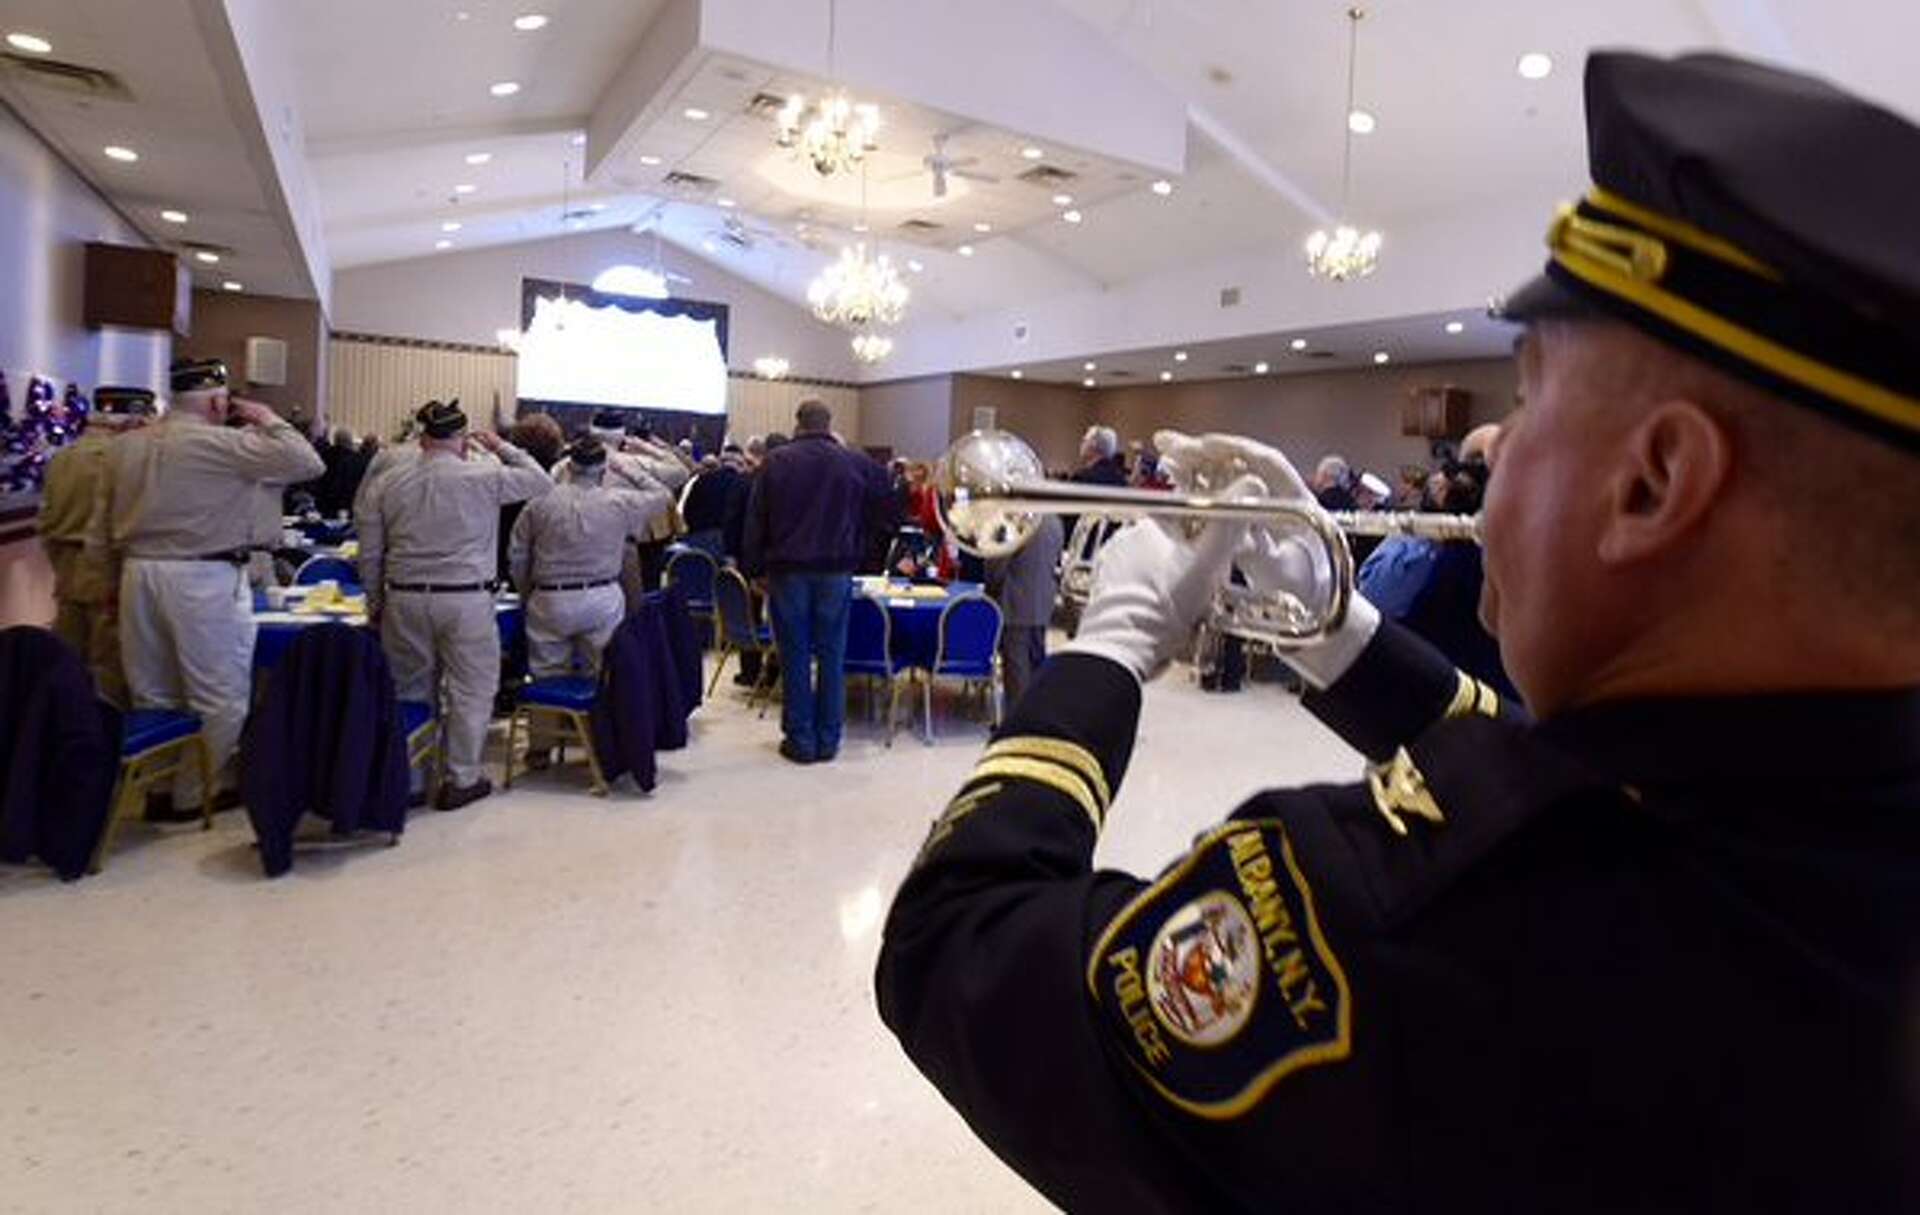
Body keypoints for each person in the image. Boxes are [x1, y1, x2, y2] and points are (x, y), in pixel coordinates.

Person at [875, 50, 1920, 1211]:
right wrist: (1338, 634)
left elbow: (953, 951)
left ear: (1654, 481)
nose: (1496, 456)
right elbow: (1593, 801)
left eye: (1528, 405)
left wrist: (1101, 655)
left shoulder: (1409, 932)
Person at [88, 360, 324, 815]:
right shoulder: (225, 444)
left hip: (138, 573)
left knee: (153, 690)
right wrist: (268, 419)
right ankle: (194, 794)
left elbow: (99, 527)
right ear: (218, 402)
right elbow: (307, 461)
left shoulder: (123, 448)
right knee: (221, 696)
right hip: (203, 577)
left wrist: (107, 585)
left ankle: (154, 788)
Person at [357, 399, 551, 811]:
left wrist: (375, 601)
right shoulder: (482, 475)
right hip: (465, 598)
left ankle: (411, 778)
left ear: (422, 439)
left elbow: (370, 552)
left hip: (405, 596)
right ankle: (461, 777)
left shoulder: (387, 483)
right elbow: (540, 481)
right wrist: (502, 446)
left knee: (409, 689)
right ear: (462, 442)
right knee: (471, 690)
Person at [508, 435, 669, 768]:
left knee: (545, 673)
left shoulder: (539, 504)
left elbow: (518, 555)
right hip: (601, 596)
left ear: (568, 467)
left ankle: (540, 749)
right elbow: (663, 495)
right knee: (602, 673)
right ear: (602, 469)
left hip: (549, 596)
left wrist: (528, 593)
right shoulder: (619, 502)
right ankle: (600, 743)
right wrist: (630, 469)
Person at [743, 400, 890, 764]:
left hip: (788, 570)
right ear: (828, 424)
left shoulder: (776, 462)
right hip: (836, 571)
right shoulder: (854, 461)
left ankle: (800, 739)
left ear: (798, 424)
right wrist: (862, 550)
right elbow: (886, 506)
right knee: (832, 656)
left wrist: (754, 569)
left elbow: (756, 520)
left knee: (793, 655)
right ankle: (829, 738)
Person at [39, 386, 153, 704]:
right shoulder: (120, 460)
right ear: (133, 419)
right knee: (109, 672)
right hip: (107, 574)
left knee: (67, 664)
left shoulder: (61, 457)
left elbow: (45, 521)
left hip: (65, 572)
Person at [983, 512, 1063, 706]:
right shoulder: (1054, 521)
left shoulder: (1013, 521)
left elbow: (996, 567)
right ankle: (1035, 716)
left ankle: (1017, 725)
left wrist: (991, 590)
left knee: (1016, 672)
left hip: (1015, 605)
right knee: (1036, 664)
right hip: (1043, 604)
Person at [677, 442, 743, 557]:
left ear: (721, 461)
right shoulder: (745, 484)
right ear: (740, 463)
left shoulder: (702, 480)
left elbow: (687, 511)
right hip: (731, 547)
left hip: (698, 541)